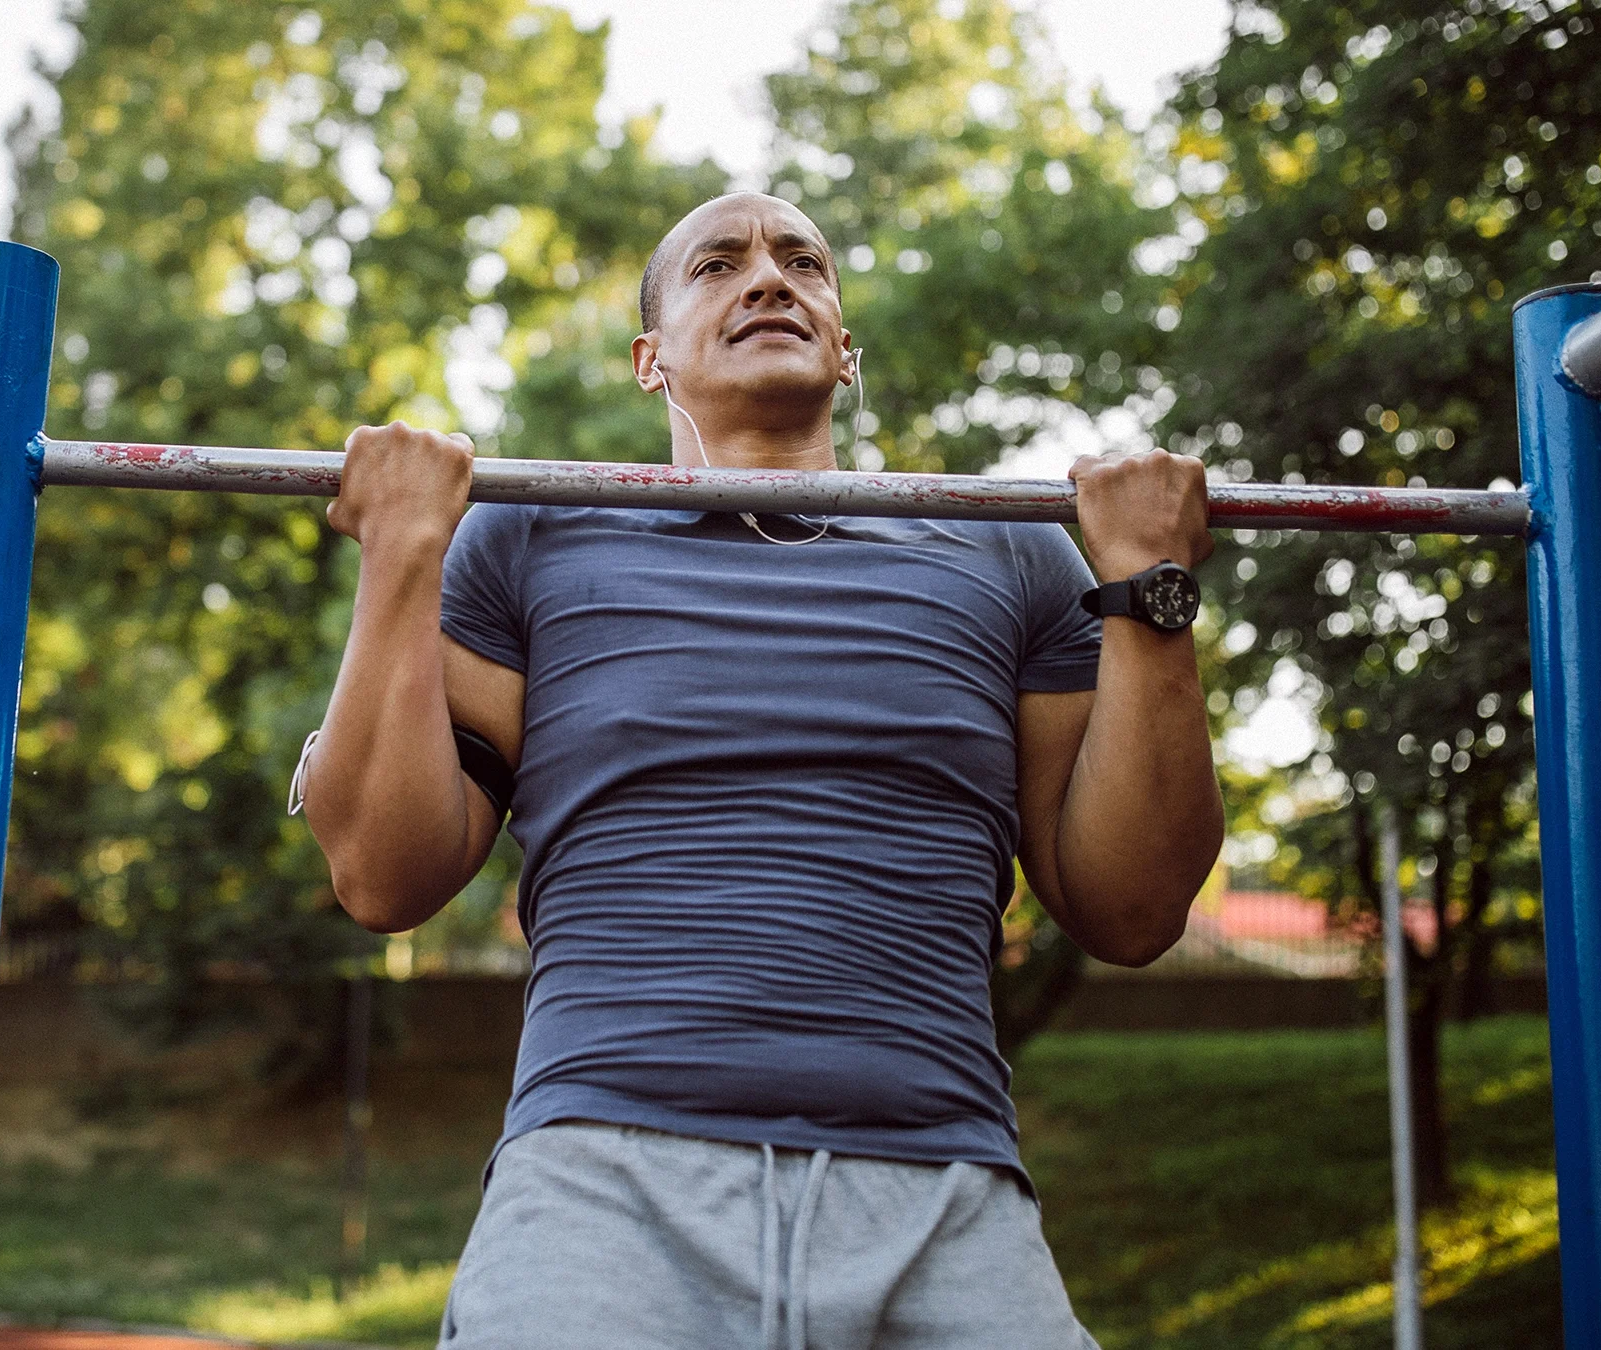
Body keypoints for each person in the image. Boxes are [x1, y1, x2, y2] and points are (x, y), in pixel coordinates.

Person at [296, 191, 1223, 1349]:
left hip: (942, 1186)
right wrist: (401, 554)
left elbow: (1132, 910)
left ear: (844, 347)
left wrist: (1150, 590)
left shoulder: (1005, 544)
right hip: (603, 1184)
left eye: (804, 264)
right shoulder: (535, 533)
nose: (771, 278)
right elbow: (385, 881)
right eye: (718, 265)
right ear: (651, 360)